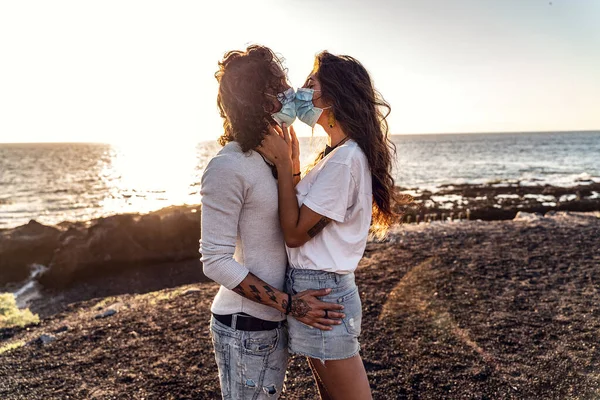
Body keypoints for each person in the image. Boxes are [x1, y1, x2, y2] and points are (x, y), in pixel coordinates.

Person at [257, 51, 406, 400]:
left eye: (311, 83)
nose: (300, 90)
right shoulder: (335, 154)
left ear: (335, 95)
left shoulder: (345, 160)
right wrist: (293, 164)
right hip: (315, 286)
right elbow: (302, 214)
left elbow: (295, 234)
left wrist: (281, 164)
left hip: (322, 290)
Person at [200, 45, 344, 400]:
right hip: (244, 325)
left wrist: (290, 166)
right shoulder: (228, 165)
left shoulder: (270, 158)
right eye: (278, 85)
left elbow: (287, 226)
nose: (291, 91)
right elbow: (214, 261)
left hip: (272, 321)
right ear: (257, 99)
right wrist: (291, 304)